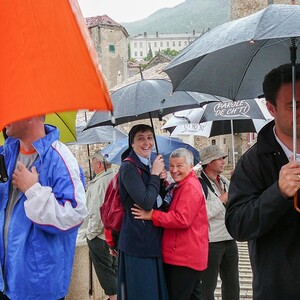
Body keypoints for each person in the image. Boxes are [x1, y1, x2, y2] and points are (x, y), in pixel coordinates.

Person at [225, 63, 300, 300]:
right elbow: (238, 225)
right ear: (271, 108)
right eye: (293, 106)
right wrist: (278, 193)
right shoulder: (253, 162)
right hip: (279, 289)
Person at [0, 116, 87, 300]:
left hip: (39, 287)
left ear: (31, 113)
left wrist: (33, 190)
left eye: (12, 107)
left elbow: (75, 214)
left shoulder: (60, 157)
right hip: (7, 281)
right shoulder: (5, 153)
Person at [132, 148, 209, 300]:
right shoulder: (183, 185)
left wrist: (152, 215)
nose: (174, 170)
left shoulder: (189, 187)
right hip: (188, 255)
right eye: (171, 166)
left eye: (179, 166)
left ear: (191, 165)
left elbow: (182, 219)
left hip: (183, 256)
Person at [117, 124, 169, 300]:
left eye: (149, 137)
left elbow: (156, 202)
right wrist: (154, 174)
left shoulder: (148, 164)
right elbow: (146, 202)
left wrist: (161, 181)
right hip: (137, 242)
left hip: (151, 239)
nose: (146, 142)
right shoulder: (129, 167)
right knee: (143, 293)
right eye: (140, 138)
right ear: (132, 143)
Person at [199, 145, 239, 300]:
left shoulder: (224, 181)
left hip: (230, 238)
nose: (224, 161)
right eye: (220, 158)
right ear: (209, 162)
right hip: (211, 241)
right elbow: (201, 213)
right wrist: (222, 199)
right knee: (207, 286)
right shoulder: (199, 184)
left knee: (232, 284)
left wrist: (237, 182)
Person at [84, 152, 118, 300]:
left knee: (105, 271)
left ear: (98, 164)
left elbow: (97, 212)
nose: (92, 166)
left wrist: (91, 233)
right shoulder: (116, 177)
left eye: (93, 163)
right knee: (115, 268)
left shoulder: (100, 182)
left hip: (101, 235)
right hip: (115, 233)